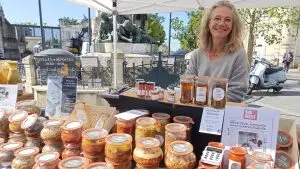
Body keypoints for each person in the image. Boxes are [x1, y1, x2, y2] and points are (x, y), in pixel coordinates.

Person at [186, 0, 249, 102]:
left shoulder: (239, 55)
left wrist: (203, 99)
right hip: (197, 112)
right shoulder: (197, 54)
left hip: (224, 113)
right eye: (217, 18)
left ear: (233, 26)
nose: (221, 23)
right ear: (209, 23)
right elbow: (188, 88)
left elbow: (236, 93)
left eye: (228, 20)